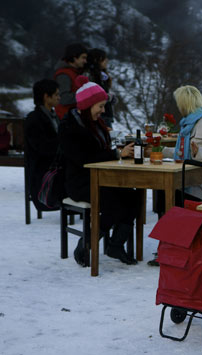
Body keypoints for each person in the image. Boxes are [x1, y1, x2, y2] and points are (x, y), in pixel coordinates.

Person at [58, 76, 139, 267]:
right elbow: (83, 158)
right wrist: (116, 153)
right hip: (80, 182)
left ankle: (116, 245)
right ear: (87, 106)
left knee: (133, 197)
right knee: (114, 205)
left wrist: (118, 151)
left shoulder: (95, 123)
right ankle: (86, 243)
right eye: (100, 106)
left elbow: (100, 152)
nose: (103, 110)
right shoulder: (69, 127)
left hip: (101, 177)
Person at [25, 79, 61, 211]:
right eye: (56, 94)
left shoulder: (53, 116)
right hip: (44, 176)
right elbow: (43, 148)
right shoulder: (34, 119)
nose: (59, 98)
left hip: (54, 167)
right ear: (46, 96)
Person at [54, 43, 88, 119]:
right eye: (83, 58)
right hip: (67, 119)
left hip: (75, 117)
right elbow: (64, 98)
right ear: (74, 57)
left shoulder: (75, 73)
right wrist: (86, 94)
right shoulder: (64, 75)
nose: (85, 61)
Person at [86, 48, 116, 129]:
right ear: (96, 60)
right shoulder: (91, 75)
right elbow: (92, 95)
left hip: (106, 113)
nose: (106, 60)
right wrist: (108, 97)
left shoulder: (102, 75)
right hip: (98, 114)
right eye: (103, 58)